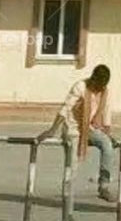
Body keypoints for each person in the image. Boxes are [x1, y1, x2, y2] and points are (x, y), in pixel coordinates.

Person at [37, 64, 116, 201]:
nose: (99, 89)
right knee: (72, 165)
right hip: (73, 128)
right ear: (93, 79)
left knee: (107, 145)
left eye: (102, 86)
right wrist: (52, 130)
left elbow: (106, 112)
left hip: (89, 128)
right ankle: (67, 198)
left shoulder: (104, 91)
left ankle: (104, 186)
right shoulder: (80, 87)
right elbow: (66, 108)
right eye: (98, 85)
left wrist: (107, 134)